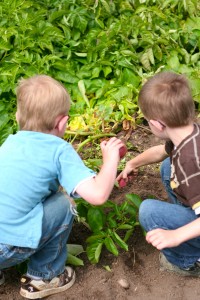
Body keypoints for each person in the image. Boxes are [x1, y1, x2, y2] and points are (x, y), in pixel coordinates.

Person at [0, 75, 125, 299]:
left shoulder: (9, 143)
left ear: (18, 116)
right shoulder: (59, 150)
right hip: (8, 248)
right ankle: (45, 276)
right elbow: (97, 195)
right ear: (62, 123)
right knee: (64, 202)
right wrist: (110, 161)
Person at [117, 71, 200, 276]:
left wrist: (176, 236)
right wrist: (133, 164)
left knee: (149, 211)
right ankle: (188, 218)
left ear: (156, 124)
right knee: (166, 167)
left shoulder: (190, 164)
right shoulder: (189, 132)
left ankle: (189, 260)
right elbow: (162, 152)